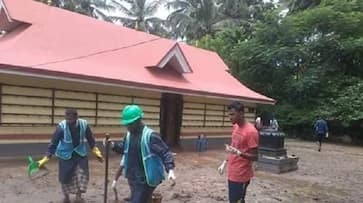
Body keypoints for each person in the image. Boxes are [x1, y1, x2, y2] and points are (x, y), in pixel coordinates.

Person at [111, 104, 176, 203]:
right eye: (126, 124)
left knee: (137, 200)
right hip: (133, 176)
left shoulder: (150, 136)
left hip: (146, 178)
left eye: (129, 124)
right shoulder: (129, 135)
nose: (127, 127)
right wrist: (113, 145)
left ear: (138, 121)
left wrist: (170, 169)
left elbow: (165, 152)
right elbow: (124, 148)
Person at [36, 108, 103, 203]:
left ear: (76, 118)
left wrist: (97, 152)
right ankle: (66, 197)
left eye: (71, 120)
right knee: (65, 177)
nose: (69, 123)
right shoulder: (61, 128)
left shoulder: (84, 125)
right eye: (67, 120)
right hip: (65, 155)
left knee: (82, 175)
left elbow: (91, 140)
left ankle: (78, 196)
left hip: (80, 154)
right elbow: (53, 144)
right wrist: (46, 158)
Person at [217, 101, 259, 203]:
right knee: (237, 200)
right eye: (229, 115)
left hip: (242, 175)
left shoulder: (251, 132)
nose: (230, 117)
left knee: (236, 200)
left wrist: (239, 153)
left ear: (241, 114)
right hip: (233, 171)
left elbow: (255, 156)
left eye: (232, 114)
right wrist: (224, 162)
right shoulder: (235, 127)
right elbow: (233, 147)